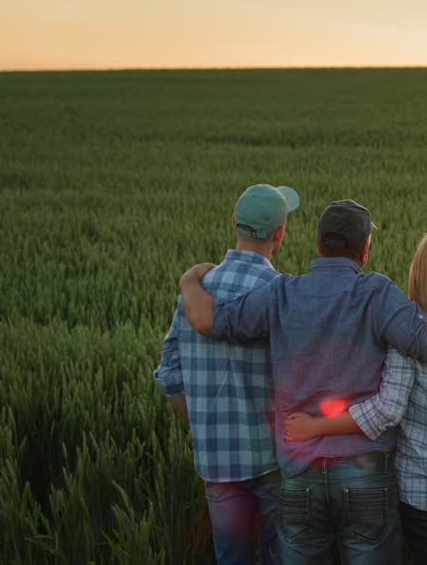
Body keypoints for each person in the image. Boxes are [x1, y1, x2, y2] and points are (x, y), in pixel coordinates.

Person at [177, 199, 427, 565]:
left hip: (300, 472)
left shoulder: (282, 294)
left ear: (318, 242)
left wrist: (189, 279)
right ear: (364, 250)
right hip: (366, 476)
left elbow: (207, 320)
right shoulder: (377, 295)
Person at [284, 225, 427, 565]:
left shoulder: (406, 339)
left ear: (417, 274)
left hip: (422, 491)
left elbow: (388, 410)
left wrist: (316, 426)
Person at [153, 183, 300, 565]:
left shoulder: (194, 294)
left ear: (233, 221)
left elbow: (169, 373)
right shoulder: (282, 293)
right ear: (280, 233)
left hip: (217, 460)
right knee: (282, 556)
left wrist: (201, 424)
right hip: (275, 459)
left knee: (232, 558)